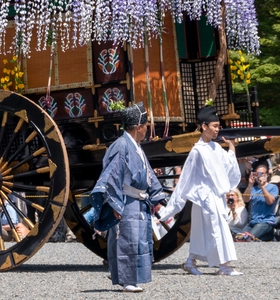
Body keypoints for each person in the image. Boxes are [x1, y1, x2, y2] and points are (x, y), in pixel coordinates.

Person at [158, 106, 242, 275]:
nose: (218, 129)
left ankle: (190, 262)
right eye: (215, 126)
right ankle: (224, 266)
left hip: (215, 195)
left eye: (219, 126)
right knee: (216, 228)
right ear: (204, 127)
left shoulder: (216, 148)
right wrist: (175, 205)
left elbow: (228, 167)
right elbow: (186, 178)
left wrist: (231, 148)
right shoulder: (197, 151)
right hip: (205, 196)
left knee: (203, 230)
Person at [90, 102, 165, 293]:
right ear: (139, 126)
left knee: (138, 240)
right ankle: (127, 280)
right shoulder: (121, 145)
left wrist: (156, 193)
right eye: (146, 125)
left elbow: (147, 172)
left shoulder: (136, 146)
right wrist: (115, 204)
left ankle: (131, 278)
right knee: (127, 240)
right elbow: (111, 175)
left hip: (138, 200)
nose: (147, 129)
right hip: (126, 199)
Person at [237, 163, 279, 242]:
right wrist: (250, 184)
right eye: (257, 174)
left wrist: (262, 186)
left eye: (262, 174)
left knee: (249, 238)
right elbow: (245, 200)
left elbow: (270, 201)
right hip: (253, 222)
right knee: (239, 238)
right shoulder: (253, 189)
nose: (259, 176)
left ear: (266, 175)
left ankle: (269, 236)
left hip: (266, 221)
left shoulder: (273, 187)